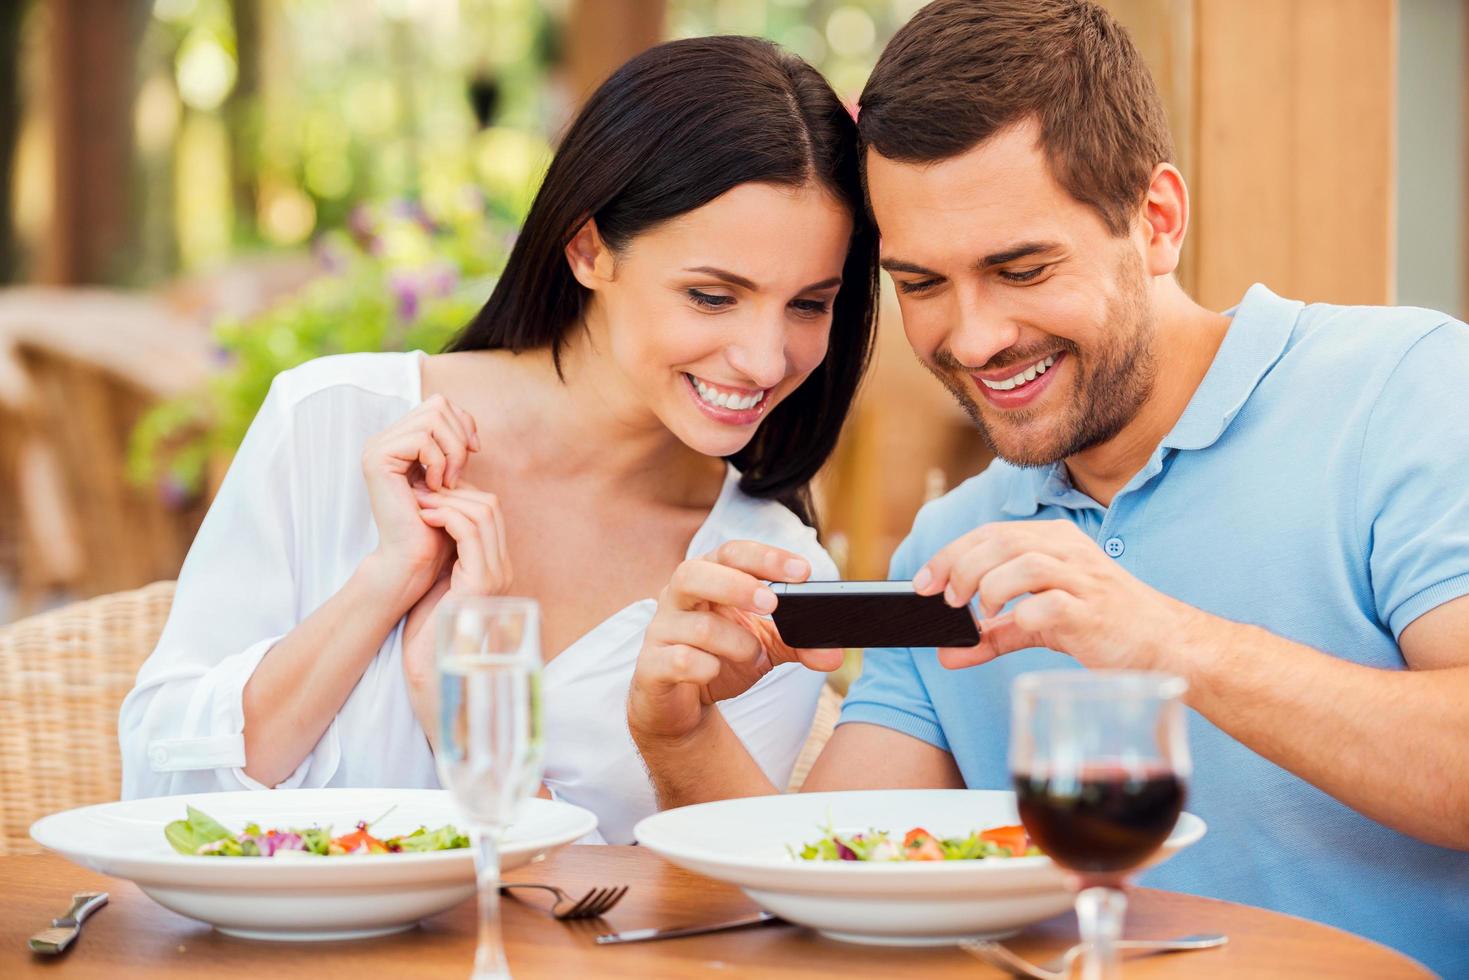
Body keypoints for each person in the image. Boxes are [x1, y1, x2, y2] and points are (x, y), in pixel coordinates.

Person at [627, 1, 1469, 973]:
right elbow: (839, 885)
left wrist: (1166, 640)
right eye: (921, 283)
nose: (972, 337)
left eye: (1018, 268)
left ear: (1154, 221)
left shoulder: (1406, 389)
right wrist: (681, 731)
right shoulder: (955, 542)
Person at [119, 35, 879, 846]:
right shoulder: (336, 422)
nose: (766, 358)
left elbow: (685, 910)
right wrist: (383, 583)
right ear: (588, 248)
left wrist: (462, 710)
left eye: (808, 304)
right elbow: (161, 797)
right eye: (712, 296)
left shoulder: (757, 575)